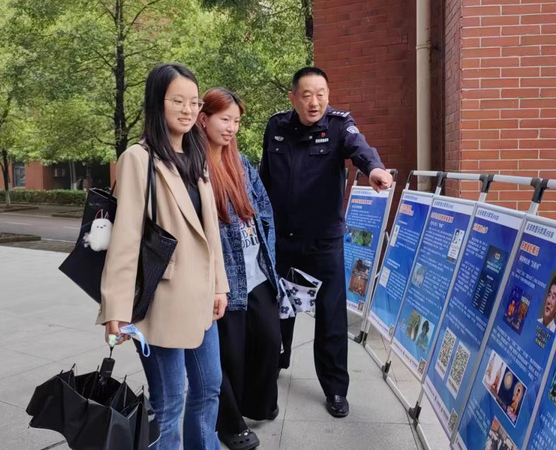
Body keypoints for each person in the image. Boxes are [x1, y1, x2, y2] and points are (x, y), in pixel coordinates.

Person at [98, 64, 229, 450]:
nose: (188, 110)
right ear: (158, 102)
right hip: (161, 300)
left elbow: (210, 232)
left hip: (202, 299)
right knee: (169, 403)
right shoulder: (138, 159)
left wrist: (219, 286)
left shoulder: (197, 155)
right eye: (178, 101)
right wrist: (116, 308)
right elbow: (126, 238)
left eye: (194, 102)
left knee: (209, 388)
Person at [260, 66, 393, 418]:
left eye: (320, 94)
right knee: (279, 310)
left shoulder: (338, 126)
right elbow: (264, 178)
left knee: (331, 319)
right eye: (306, 95)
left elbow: (359, 148)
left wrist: (374, 169)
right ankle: (275, 362)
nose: (314, 102)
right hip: (283, 240)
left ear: (328, 96)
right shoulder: (276, 127)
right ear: (293, 98)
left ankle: (335, 389)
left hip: (324, 242)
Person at [199, 88, 280, 450]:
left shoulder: (241, 161)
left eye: (236, 121)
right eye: (224, 119)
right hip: (224, 276)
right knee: (228, 355)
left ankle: (257, 404)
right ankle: (230, 424)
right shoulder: (194, 165)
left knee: (270, 341)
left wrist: (269, 253)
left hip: (256, 269)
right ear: (204, 119)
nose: (231, 127)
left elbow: (264, 207)